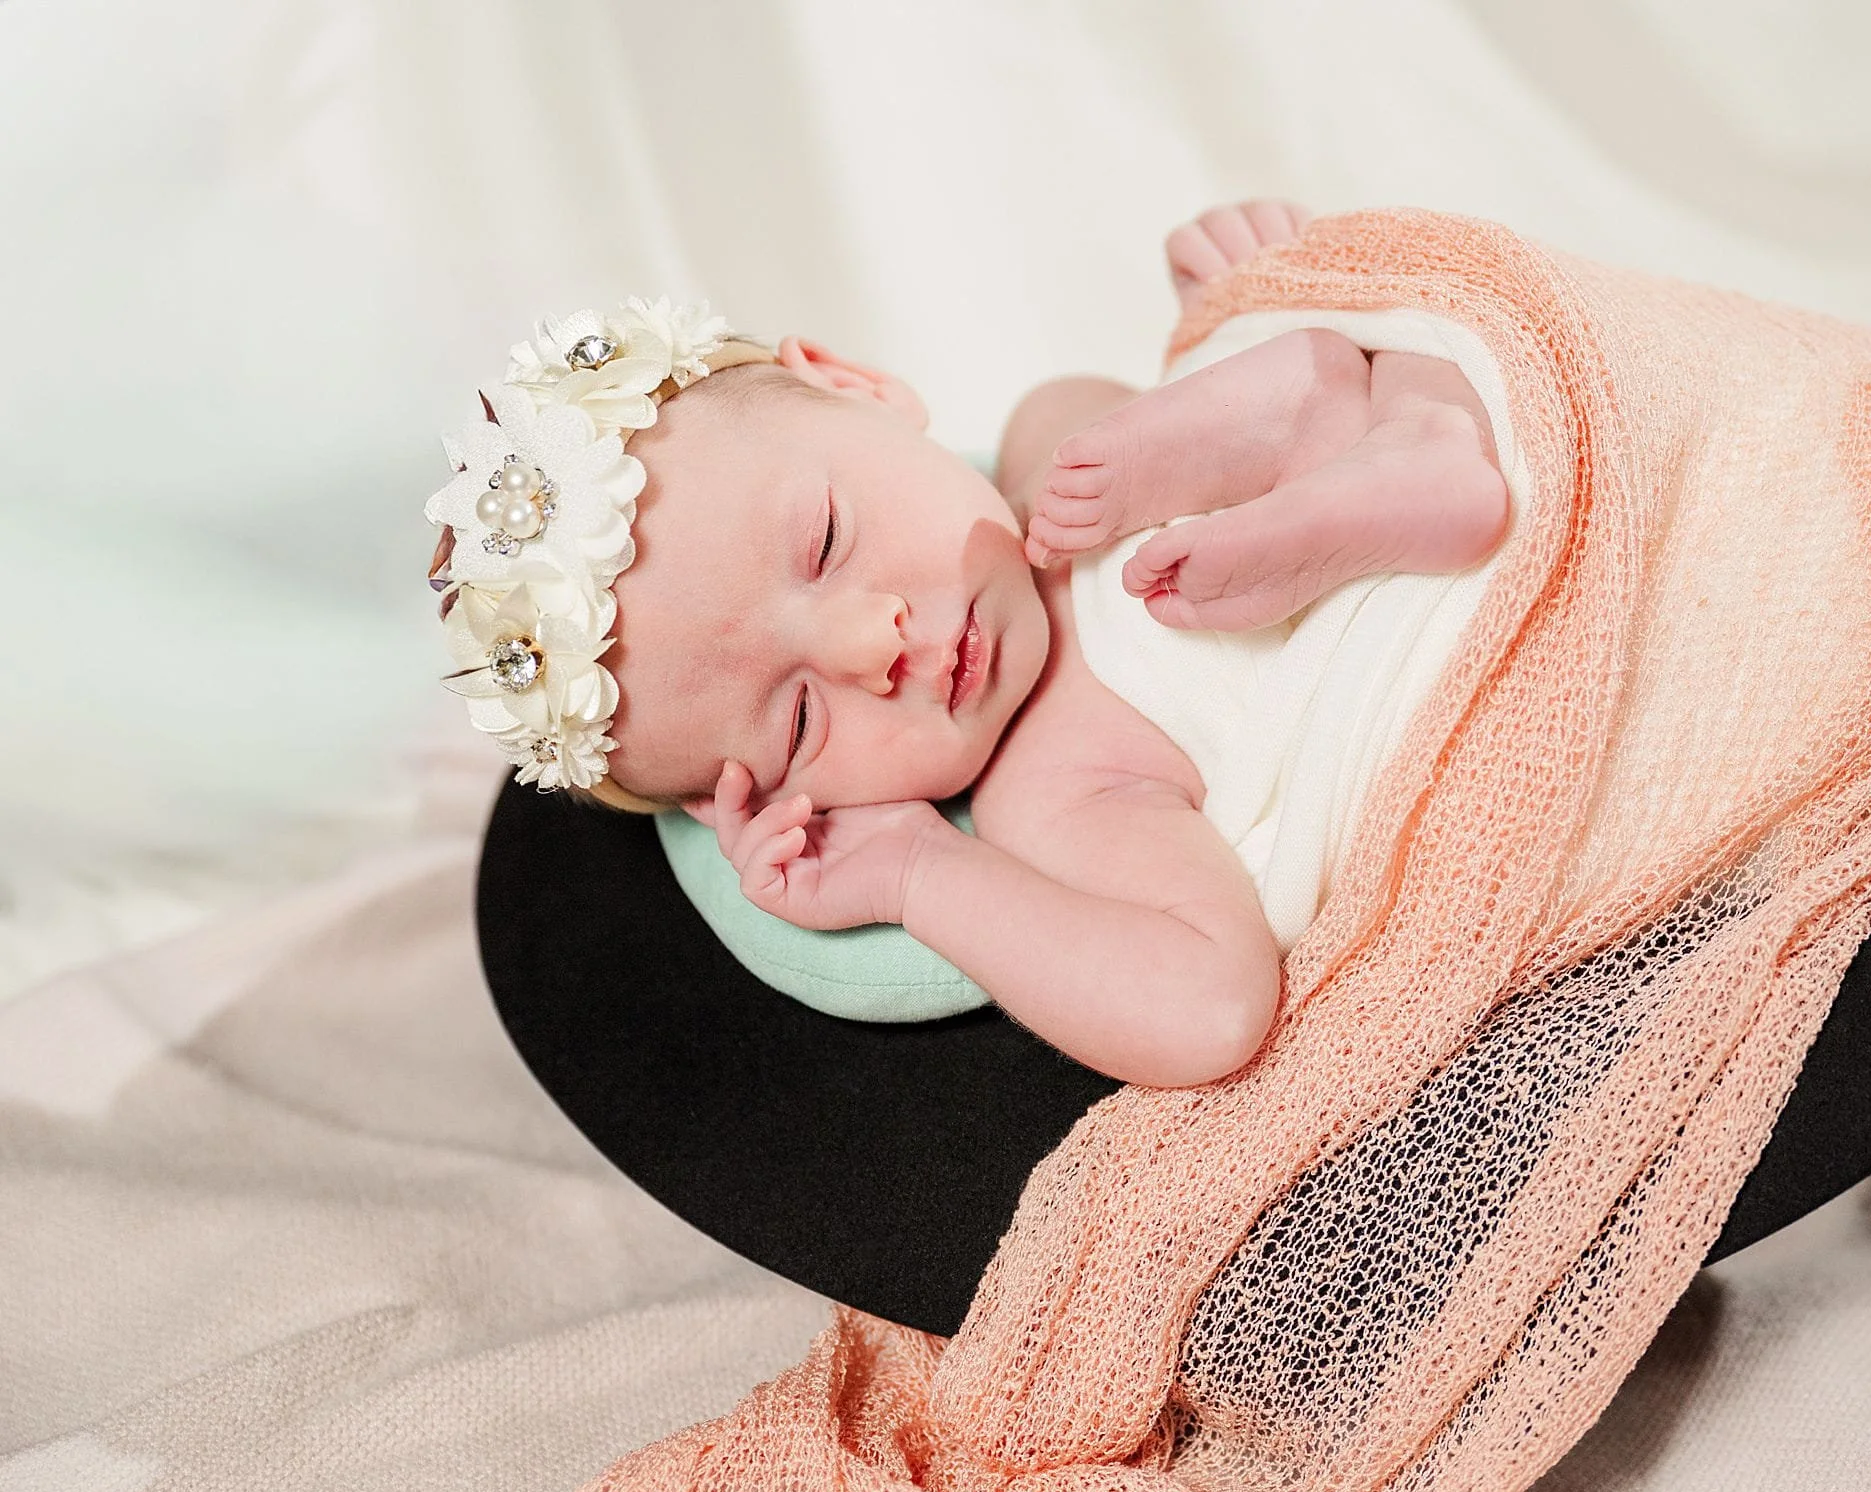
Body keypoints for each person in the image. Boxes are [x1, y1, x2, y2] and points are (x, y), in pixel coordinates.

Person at [428, 202, 1509, 1087]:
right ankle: (1393, 447)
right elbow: (1212, 1007)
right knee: (1350, 373)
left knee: (1381, 337)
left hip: (1495, 463)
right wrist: (917, 871)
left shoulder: (1064, 442)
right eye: (801, 718)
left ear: (854, 387)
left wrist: (1241, 302)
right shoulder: (1058, 789)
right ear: (766, 799)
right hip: (1459, 667)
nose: (872, 648)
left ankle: (1395, 441)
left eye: (824, 541)